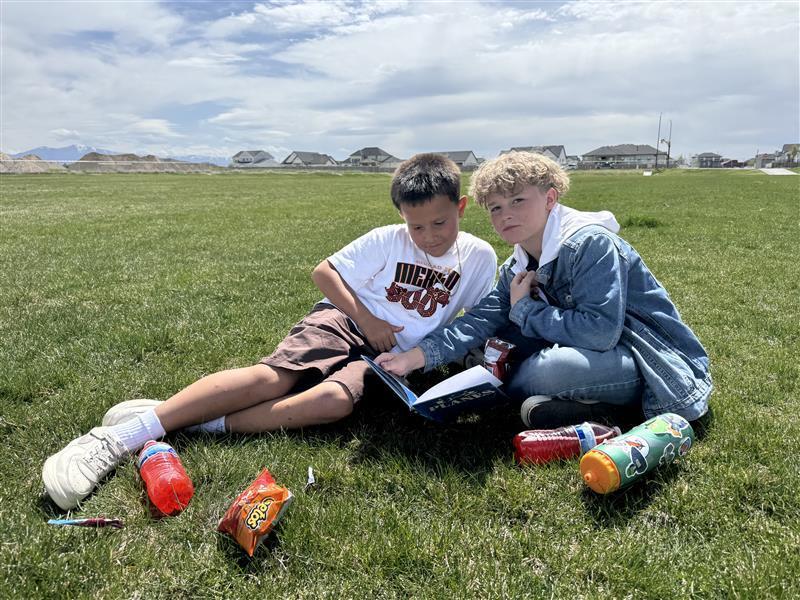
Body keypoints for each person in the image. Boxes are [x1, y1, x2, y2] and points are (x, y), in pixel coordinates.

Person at [42, 153, 497, 510]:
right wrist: (369, 320)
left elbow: (477, 318)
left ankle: (199, 422)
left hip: (391, 359)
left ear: (460, 207)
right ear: (401, 217)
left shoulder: (479, 259)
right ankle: (118, 438)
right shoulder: (386, 238)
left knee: (334, 403)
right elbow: (325, 272)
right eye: (416, 226)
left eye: (439, 223)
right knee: (274, 376)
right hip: (344, 320)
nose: (429, 235)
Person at [376, 151, 712, 430]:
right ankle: (580, 406)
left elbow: (600, 333)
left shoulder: (590, 244)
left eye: (518, 201)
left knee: (547, 369)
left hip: (643, 360)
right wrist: (413, 358)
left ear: (550, 198)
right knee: (493, 337)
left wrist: (525, 310)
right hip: (593, 354)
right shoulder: (519, 262)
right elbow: (480, 319)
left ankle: (578, 401)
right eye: (496, 208)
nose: (506, 215)